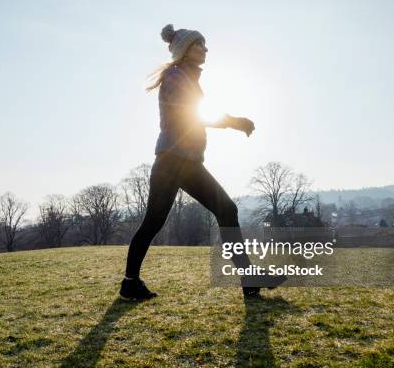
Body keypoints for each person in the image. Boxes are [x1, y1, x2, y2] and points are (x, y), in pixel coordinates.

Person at [120, 24, 281, 301]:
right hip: (174, 161)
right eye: (199, 45)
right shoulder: (175, 77)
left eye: (205, 44)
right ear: (185, 50)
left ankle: (249, 279)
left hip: (184, 161)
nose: (205, 49)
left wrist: (230, 121)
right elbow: (192, 115)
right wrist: (233, 122)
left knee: (222, 210)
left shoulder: (186, 77)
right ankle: (130, 283)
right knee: (157, 222)